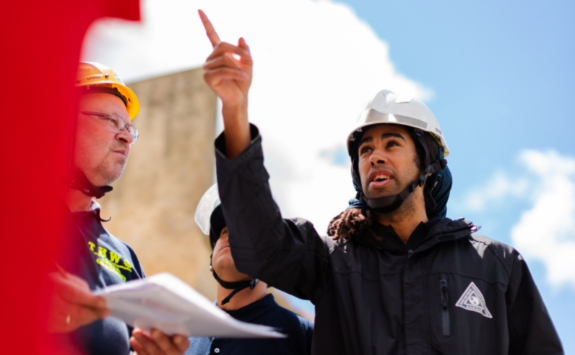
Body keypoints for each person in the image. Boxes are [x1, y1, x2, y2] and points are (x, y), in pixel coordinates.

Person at [198, 10, 564, 355]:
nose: (375, 156)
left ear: (429, 163)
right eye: (365, 150)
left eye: (392, 143)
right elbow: (257, 241)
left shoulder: (497, 265)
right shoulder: (330, 261)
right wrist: (235, 111)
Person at [47, 61, 190, 355]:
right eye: (111, 121)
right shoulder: (13, 221)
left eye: (128, 128)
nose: (125, 136)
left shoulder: (123, 257)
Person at [185, 184, 314, 355]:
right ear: (211, 260)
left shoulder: (303, 336)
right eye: (224, 232)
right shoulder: (184, 335)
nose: (230, 236)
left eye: (243, 232)